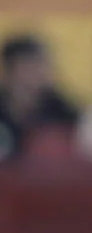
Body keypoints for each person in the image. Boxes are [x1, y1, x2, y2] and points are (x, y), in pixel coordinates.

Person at [0, 33, 81, 162]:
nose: (37, 75)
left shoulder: (58, 106)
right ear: (8, 72)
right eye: (27, 68)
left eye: (41, 66)